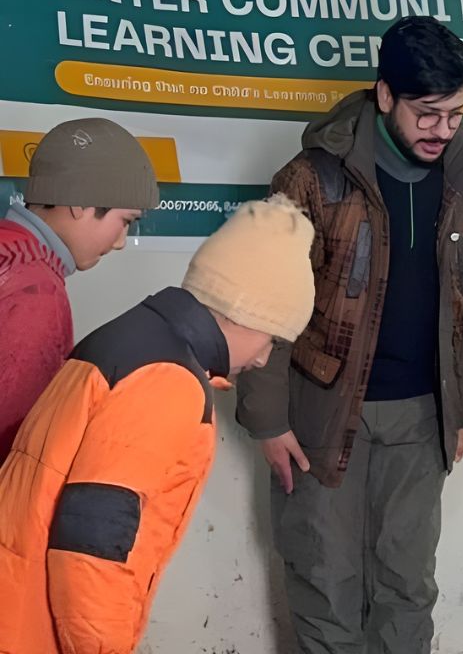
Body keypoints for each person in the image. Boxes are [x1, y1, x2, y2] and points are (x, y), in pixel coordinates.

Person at [236, 15, 463, 653]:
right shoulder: (310, 177)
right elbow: (261, 302)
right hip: (321, 412)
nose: (443, 130)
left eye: (456, 114)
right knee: (324, 582)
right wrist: (267, 419)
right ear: (385, 95)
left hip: (424, 414)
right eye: (427, 113)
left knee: (407, 585)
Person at [0, 195, 315, 654]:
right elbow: (93, 546)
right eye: (272, 338)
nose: (264, 358)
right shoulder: (167, 381)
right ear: (241, 312)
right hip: (31, 632)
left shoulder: (132, 338)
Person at [0, 116, 159, 458]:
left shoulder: (10, 254)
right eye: (125, 221)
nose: (120, 242)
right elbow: (17, 443)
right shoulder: (34, 290)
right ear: (79, 202)